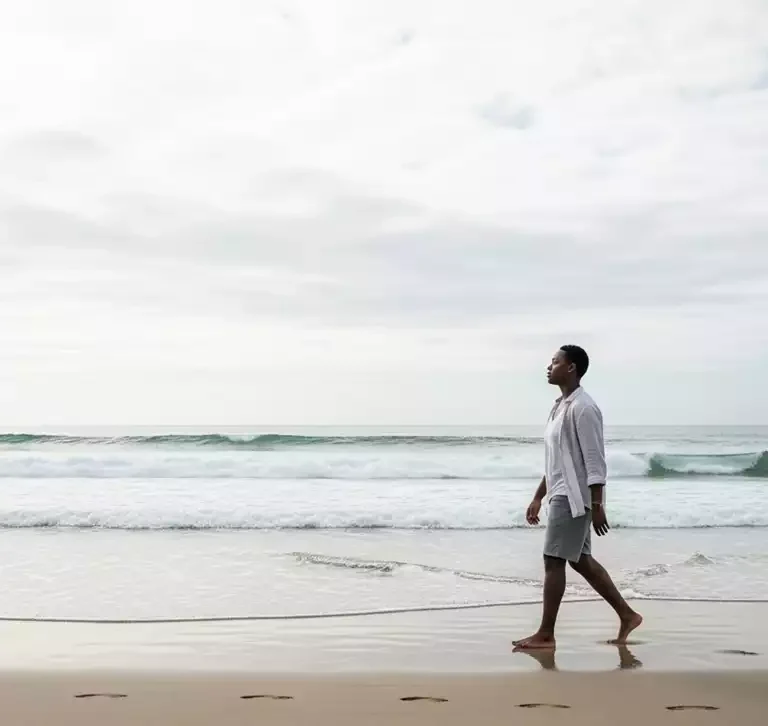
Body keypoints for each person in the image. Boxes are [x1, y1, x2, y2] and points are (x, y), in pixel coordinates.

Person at [513, 345, 642, 650]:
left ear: (571, 368)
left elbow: (595, 460)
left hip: (573, 497)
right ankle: (627, 614)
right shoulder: (560, 407)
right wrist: (537, 497)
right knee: (580, 561)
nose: (549, 366)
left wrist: (597, 505)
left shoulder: (584, 408)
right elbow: (558, 460)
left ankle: (546, 633)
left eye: (555, 362)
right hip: (561, 492)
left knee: (553, 559)